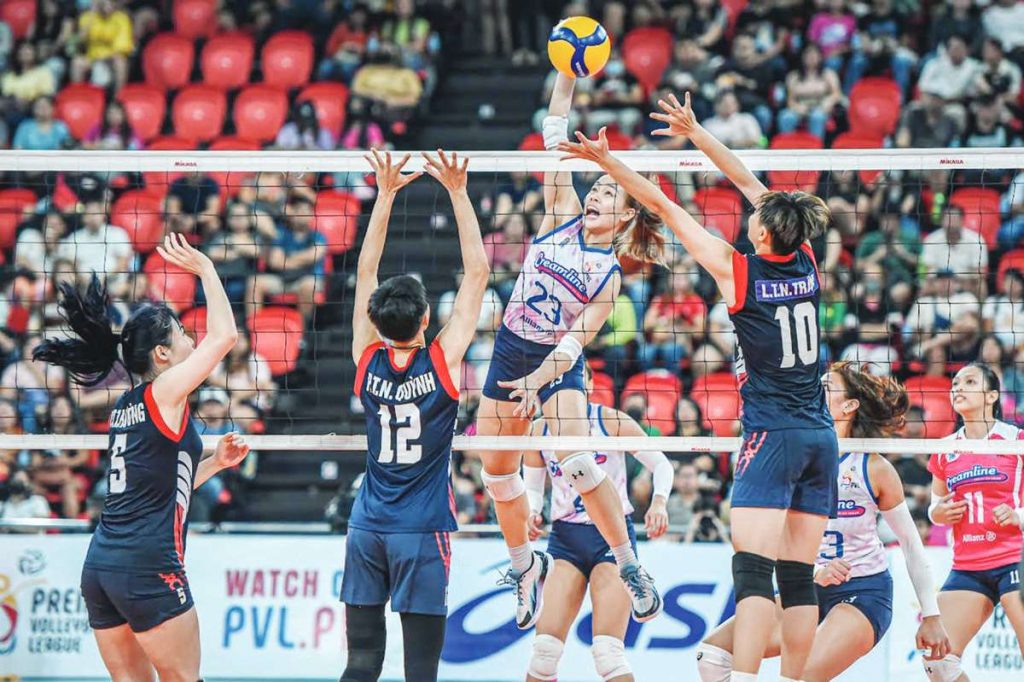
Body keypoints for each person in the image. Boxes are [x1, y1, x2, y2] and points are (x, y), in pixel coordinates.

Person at [560, 91, 838, 682]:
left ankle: (743, 678)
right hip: (821, 436)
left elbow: (662, 201)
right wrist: (696, 131)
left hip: (775, 434)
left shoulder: (741, 273)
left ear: (764, 235)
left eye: (755, 218)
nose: (749, 214)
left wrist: (609, 164)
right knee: (797, 577)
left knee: (755, 572)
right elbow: (749, 181)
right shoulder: (805, 259)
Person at [475, 72, 666, 631]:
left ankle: (630, 566)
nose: (598, 195)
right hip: (511, 350)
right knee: (497, 474)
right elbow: (554, 126)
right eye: (598, 188)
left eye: (609, 193)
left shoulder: (608, 276)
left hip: (556, 368)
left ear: (626, 216)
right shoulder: (559, 212)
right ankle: (523, 566)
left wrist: (539, 382)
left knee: (577, 459)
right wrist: (565, 70)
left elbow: (572, 342)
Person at [32, 234, 250, 681]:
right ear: (162, 354)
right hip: (148, 565)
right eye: (183, 333)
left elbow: (155, 486)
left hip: (102, 566)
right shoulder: (165, 391)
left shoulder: (125, 404)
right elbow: (226, 335)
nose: (192, 337)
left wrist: (214, 465)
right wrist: (207, 268)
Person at [696, 363, 950, 681]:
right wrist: (816, 570)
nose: (816, 389)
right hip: (806, 586)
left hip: (863, 591)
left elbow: (912, 545)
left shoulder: (874, 468)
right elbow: (768, 534)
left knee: (800, 677)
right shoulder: (792, 456)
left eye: (827, 386)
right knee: (712, 656)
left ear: (850, 405)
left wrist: (931, 615)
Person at [340, 149, 489, 682]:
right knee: (420, 671)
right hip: (421, 530)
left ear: (377, 323)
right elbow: (478, 273)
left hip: (366, 526)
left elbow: (364, 270)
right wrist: (457, 190)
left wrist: (384, 195)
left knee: (360, 663)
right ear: (428, 318)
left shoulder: (366, 359)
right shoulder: (443, 362)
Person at [521, 369, 672, 682]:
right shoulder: (539, 428)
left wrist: (658, 501)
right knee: (544, 653)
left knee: (607, 654)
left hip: (612, 539)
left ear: (587, 384)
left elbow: (661, 463)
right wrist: (533, 512)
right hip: (565, 538)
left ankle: (635, 576)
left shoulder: (610, 421)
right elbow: (533, 486)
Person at [924, 363, 1024, 681]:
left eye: (969, 382)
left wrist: (1019, 515)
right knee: (938, 662)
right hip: (968, 565)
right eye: (955, 383)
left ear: (992, 395)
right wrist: (937, 514)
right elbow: (935, 505)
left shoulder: (1016, 440)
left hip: (1014, 559)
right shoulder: (946, 449)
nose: (958, 388)